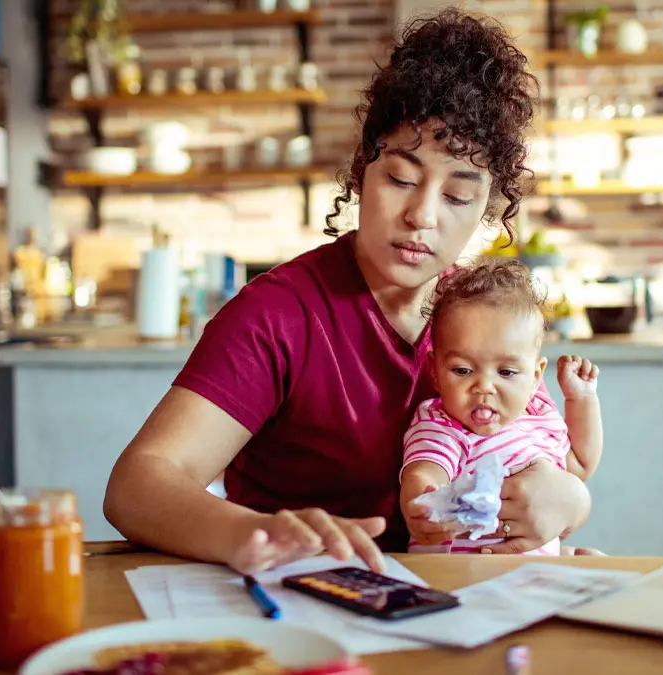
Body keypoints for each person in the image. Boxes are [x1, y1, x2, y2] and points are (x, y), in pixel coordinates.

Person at [102, 8, 600, 575]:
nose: (421, 216)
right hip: (305, 595)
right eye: (401, 179)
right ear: (361, 170)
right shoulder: (279, 315)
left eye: (459, 197)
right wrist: (251, 532)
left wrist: (570, 502)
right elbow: (137, 485)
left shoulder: (482, 315)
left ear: (486, 208)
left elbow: (540, 453)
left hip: (461, 600)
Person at [399, 258, 602, 555]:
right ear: (435, 371)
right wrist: (420, 502)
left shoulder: (537, 416)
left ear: (535, 376)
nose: (484, 387)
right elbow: (425, 471)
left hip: (532, 572)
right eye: (463, 370)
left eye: (506, 372)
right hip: (465, 573)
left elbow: (580, 466)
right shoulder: (442, 424)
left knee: (593, 560)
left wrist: (581, 400)